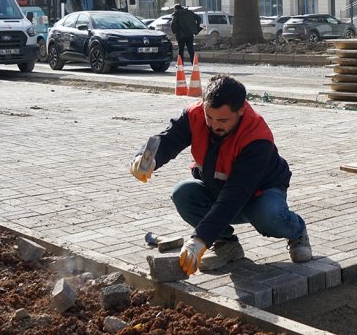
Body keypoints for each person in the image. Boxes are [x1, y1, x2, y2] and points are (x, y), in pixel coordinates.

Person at [130, 74, 312, 274]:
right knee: (184, 194)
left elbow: (234, 196)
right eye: (210, 117)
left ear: (241, 109)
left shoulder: (257, 138)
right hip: (219, 187)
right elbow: (168, 140)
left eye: (223, 120)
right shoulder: (195, 115)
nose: (214, 125)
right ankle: (226, 245)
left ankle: (297, 230)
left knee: (269, 216)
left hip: (259, 194)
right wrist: (146, 159)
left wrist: (199, 240)